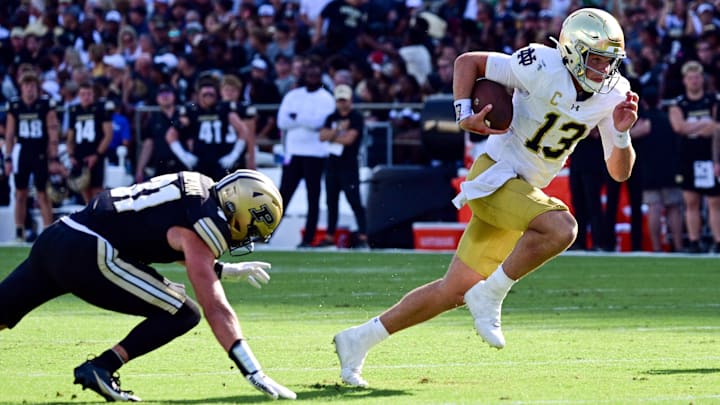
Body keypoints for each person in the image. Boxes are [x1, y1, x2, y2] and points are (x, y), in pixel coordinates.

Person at [333, 8, 639, 387]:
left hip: (522, 192)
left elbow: (619, 171)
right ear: (573, 51)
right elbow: (469, 62)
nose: (603, 71)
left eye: (610, 62)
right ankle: (491, 295)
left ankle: (358, 340)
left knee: (452, 291)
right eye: (596, 60)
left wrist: (622, 134)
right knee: (561, 227)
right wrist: (464, 114)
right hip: (495, 176)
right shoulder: (540, 63)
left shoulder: (615, 94)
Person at [0, 169, 296, 402]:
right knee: (183, 312)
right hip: (90, 253)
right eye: (252, 229)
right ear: (238, 208)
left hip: (59, 235)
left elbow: (163, 234)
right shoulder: (206, 225)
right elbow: (215, 307)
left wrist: (223, 269)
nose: (247, 237)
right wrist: (252, 369)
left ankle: (102, 368)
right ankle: (103, 366)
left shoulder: (199, 186)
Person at [276, 58, 335, 248]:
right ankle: (266, 233)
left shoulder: (327, 98)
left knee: (313, 197)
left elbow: (319, 123)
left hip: (316, 154)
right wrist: (305, 121)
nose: (312, 78)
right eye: (309, 74)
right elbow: (282, 121)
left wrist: (297, 117)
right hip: (293, 152)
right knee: (282, 195)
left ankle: (308, 238)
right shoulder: (293, 95)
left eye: (316, 75)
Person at [668, 61, 720, 253]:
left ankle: (717, 240)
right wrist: (703, 125)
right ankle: (694, 241)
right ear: (685, 80)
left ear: (702, 79)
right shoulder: (679, 103)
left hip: (709, 157)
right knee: (691, 201)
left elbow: (716, 127)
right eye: (690, 78)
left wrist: (699, 126)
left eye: (697, 77)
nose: (694, 81)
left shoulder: (712, 101)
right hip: (687, 157)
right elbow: (679, 127)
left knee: (714, 201)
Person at [3, 71, 60, 242]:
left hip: (40, 151)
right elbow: (10, 133)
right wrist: (7, 157)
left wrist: (54, 157)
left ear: (37, 87)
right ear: (21, 87)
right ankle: (19, 232)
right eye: (26, 85)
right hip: (22, 152)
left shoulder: (45, 105)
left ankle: (48, 232)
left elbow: (53, 131)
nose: (29, 89)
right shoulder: (15, 105)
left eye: (32, 85)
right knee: (20, 193)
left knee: (43, 193)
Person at [166, 76, 256, 181]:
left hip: (220, 160)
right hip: (200, 161)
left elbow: (243, 131)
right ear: (199, 95)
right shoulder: (191, 110)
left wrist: (234, 154)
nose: (208, 97)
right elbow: (171, 134)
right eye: (205, 95)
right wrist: (183, 155)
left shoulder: (224, 108)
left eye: (211, 95)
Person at [632, 88, 685, 252]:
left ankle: (656, 247)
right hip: (670, 168)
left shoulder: (646, 121)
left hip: (650, 170)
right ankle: (679, 245)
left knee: (654, 207)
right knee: (674, 208)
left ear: (644, 102)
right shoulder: (668, 118)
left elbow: (629, 136)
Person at [317, 84, 368, 249]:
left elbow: (349, 140)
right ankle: (330, 235)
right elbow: (322, 136)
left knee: (354, 200)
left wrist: (332, 135)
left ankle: (363, 235)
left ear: (350, 100)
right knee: (331, 201)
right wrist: (339, 130)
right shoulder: (332, 117)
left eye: (344, 100)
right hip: (332, 164)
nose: (342, 103)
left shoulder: (356, 117)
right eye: (339, 100)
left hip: (349, 164)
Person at [66, 80, 114, 204]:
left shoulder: (100, 109)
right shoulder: (74, 110)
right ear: (78, 95)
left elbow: (108, 135)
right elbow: (70, 137)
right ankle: (91, 221)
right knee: (84, 190)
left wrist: (97, 155)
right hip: (80, 154)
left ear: (93, 95)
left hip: (96, 154)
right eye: (83, 94)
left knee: (97, 191)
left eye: (88, 94)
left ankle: (100, 221)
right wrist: (71, 154)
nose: (86, 97)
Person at [135, 84, 183, 183]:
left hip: (183, 166)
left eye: (167, 93)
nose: (165, 96)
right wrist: (140, 169)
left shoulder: (183, 116)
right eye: (161, 94)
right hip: (161, 167)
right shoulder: (153, 119)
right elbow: (148, 145)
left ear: (174, 96)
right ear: (157, 98)